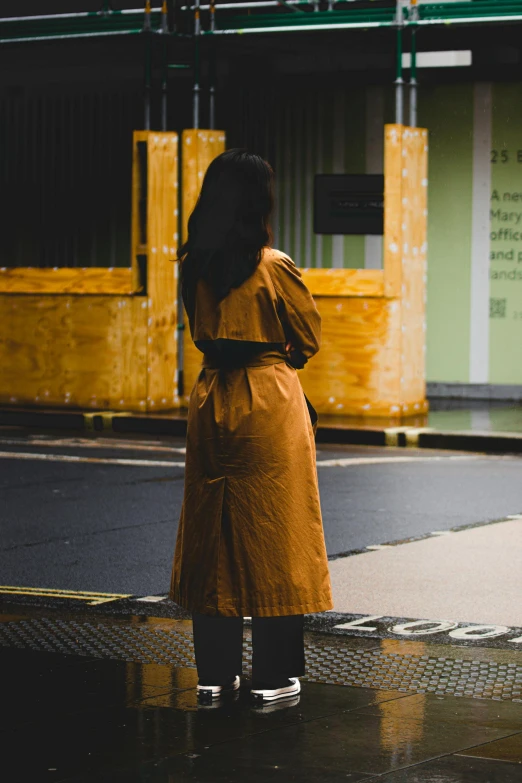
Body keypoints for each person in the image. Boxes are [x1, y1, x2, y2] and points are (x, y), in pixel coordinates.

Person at [169, 149, 333, 704]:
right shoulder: (273, 264)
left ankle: (214, 676)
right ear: (258, 203)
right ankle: (272, 677)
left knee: (212, 532)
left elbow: (200, 333)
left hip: (212, 399)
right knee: (276, 533)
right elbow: (307, 338)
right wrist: (280, 348)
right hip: (267, 396)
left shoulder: (193, 262)